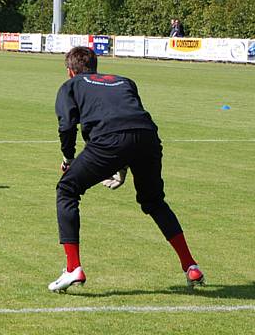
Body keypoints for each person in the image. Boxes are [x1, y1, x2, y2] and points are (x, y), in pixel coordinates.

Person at [48, 46, 204, 292]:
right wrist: (121, 166)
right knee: (154, 202)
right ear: (95, 67)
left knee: (67, 189)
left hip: (109, 139)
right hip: (148, 137)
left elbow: (67, 125)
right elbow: (130, 120)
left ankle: (72, 268)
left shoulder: (71, 85)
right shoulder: (124, 81)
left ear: (70, 71)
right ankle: (190, 265)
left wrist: (68, 159)